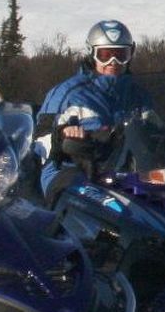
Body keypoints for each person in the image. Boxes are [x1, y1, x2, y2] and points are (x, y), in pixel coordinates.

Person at [37, 20, 152, 200]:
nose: (113, 62)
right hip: (72, 174)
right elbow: (39, 143)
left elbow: (153, 131)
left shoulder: (138, 95)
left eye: (121, 55)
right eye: (105, 55)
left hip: (125, 176)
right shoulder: (67, 94)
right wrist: (62, 136)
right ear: (92, 54)